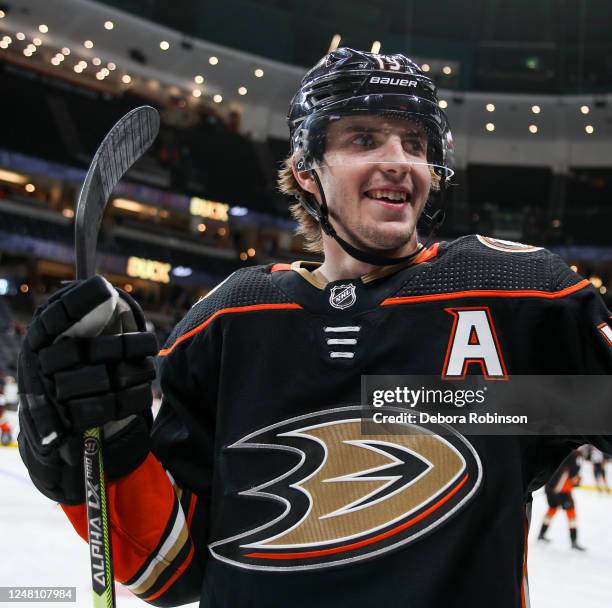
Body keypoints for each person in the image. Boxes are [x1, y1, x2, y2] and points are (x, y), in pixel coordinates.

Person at [17, 48, 612, 607]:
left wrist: (477, 407)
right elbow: (170, 567)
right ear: (305, 170)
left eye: (414, 141)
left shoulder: (519, 294)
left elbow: (578, 407)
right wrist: (101, 453)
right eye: (364, 138)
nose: (399, 161)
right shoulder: (232, 317)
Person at [537, 450, 585, 550]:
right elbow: (573, 476)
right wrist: (577, 480)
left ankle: (541, 534)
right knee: (571, 513)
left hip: (549, 488)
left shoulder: (557, 450)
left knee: (552, 509)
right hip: (562, 490)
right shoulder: (574, 455)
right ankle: (574, 542)